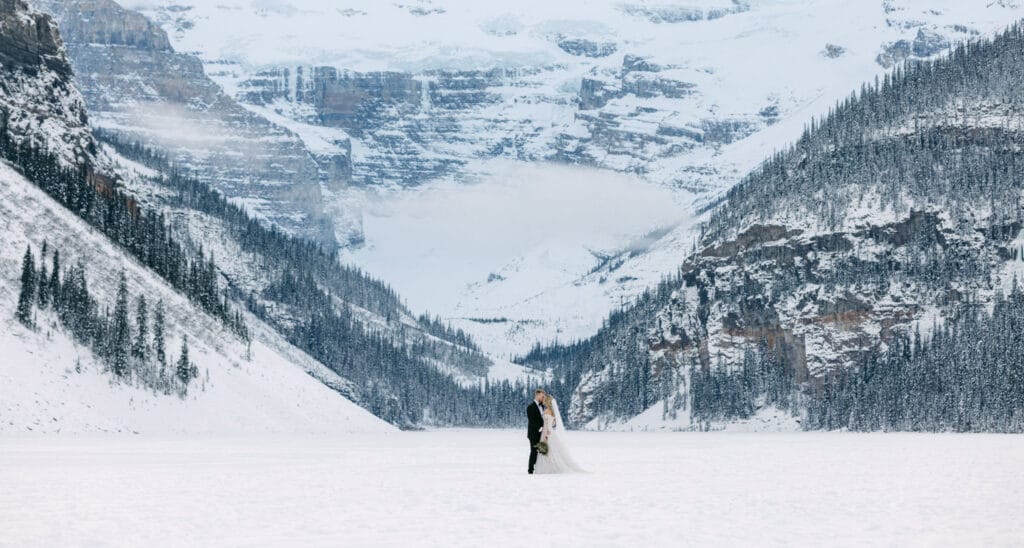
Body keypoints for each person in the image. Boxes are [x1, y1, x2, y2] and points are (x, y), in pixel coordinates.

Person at [533, 394, 585, 474]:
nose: (543, 401)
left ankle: (547, 469)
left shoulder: (546, 411)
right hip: (551, 432)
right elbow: (552, 424)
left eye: (544, 399)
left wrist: (545, 436)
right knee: (553, 451)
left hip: (546, 432)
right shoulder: (553, 412)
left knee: (546, 451)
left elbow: (546, 424)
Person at [526, 389, 545, 474]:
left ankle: (539, 468)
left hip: (541, 434)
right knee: (534, 451)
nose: (542, 398)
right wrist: (539, 428)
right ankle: (530, 470)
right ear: (537, 395)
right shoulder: (530, 407)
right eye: (542, 396)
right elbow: (531, 421)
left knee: (541, 451)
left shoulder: (542, 406)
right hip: (533, 434)